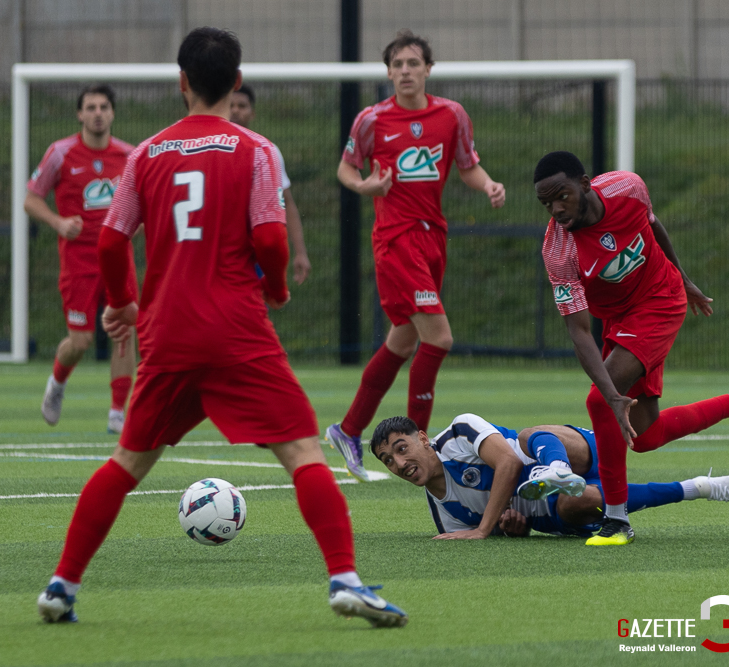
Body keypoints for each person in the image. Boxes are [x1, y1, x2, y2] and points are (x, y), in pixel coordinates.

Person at [36, 27, 407, 629]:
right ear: (235, 83)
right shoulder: (255, 149)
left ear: (181, 82)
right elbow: (268, 236)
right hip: (237, 327)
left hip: (167, 332)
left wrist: (127, 305)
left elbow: (109, 241)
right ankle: (345, 579)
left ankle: (61, 585)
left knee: (126, 463)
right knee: (303, 452)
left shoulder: (145, 153)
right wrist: (279, 288)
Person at [535, 150, 729, 546]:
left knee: (597, 403)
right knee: (644, 436)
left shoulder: (628, 187)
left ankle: (617, 520)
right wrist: (613, 393)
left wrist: (684, 278)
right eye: (546, 202)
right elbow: (578, 331)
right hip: (620, 322)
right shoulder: (558, 251)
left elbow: (653, 227)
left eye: (562, 195)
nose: (556, 208)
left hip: (660, 301)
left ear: (585, 183)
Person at [326, 30, 506, 482]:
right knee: (439, 338)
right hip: (395, 240)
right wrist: (364, 185)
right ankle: (420, 442)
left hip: (433, 239)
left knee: (403, 340)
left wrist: (487, 184)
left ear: (428, 69)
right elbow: (346, 168)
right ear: (388, 72)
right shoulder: (371, 120)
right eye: (398, 64)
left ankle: (348, 430)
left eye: (413, 63)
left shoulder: (451, 115)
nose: (405, 71)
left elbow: (467, 165)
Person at [370, 414, 729, 539]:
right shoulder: (443, 515)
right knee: (582, 500)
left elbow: (507, 464)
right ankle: (700, 487)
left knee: (529, 437)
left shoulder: (458, 433)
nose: (399, 463)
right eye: (388, 460)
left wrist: (485, 528)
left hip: (569, 452)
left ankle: (551, 468)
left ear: (422, 438)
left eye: (401, 448)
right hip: (555, 509)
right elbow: (510, 533)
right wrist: (511, 528)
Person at [25, 84, 138, 435]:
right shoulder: (60, 153)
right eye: (91, 107)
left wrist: (136, 223)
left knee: (124, 330)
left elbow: (147, 201)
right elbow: (31, 199)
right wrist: (58, 222)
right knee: (81, 341)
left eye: (104, 106)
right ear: (80, 114)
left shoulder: (131, 156)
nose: (98, 113)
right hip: (79, 261)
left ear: (113, 113)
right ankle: (57, 384)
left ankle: (117, 414)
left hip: (119, 259)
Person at [230, 84, 311, 285]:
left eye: (242, 105)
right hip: (219, 251)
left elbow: (286, 202)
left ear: (252, 113)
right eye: (231, 105)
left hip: (254, 254)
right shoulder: (208, 149)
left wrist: (300, 252)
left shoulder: (266, 151)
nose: (236, 110)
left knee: (254, 310)